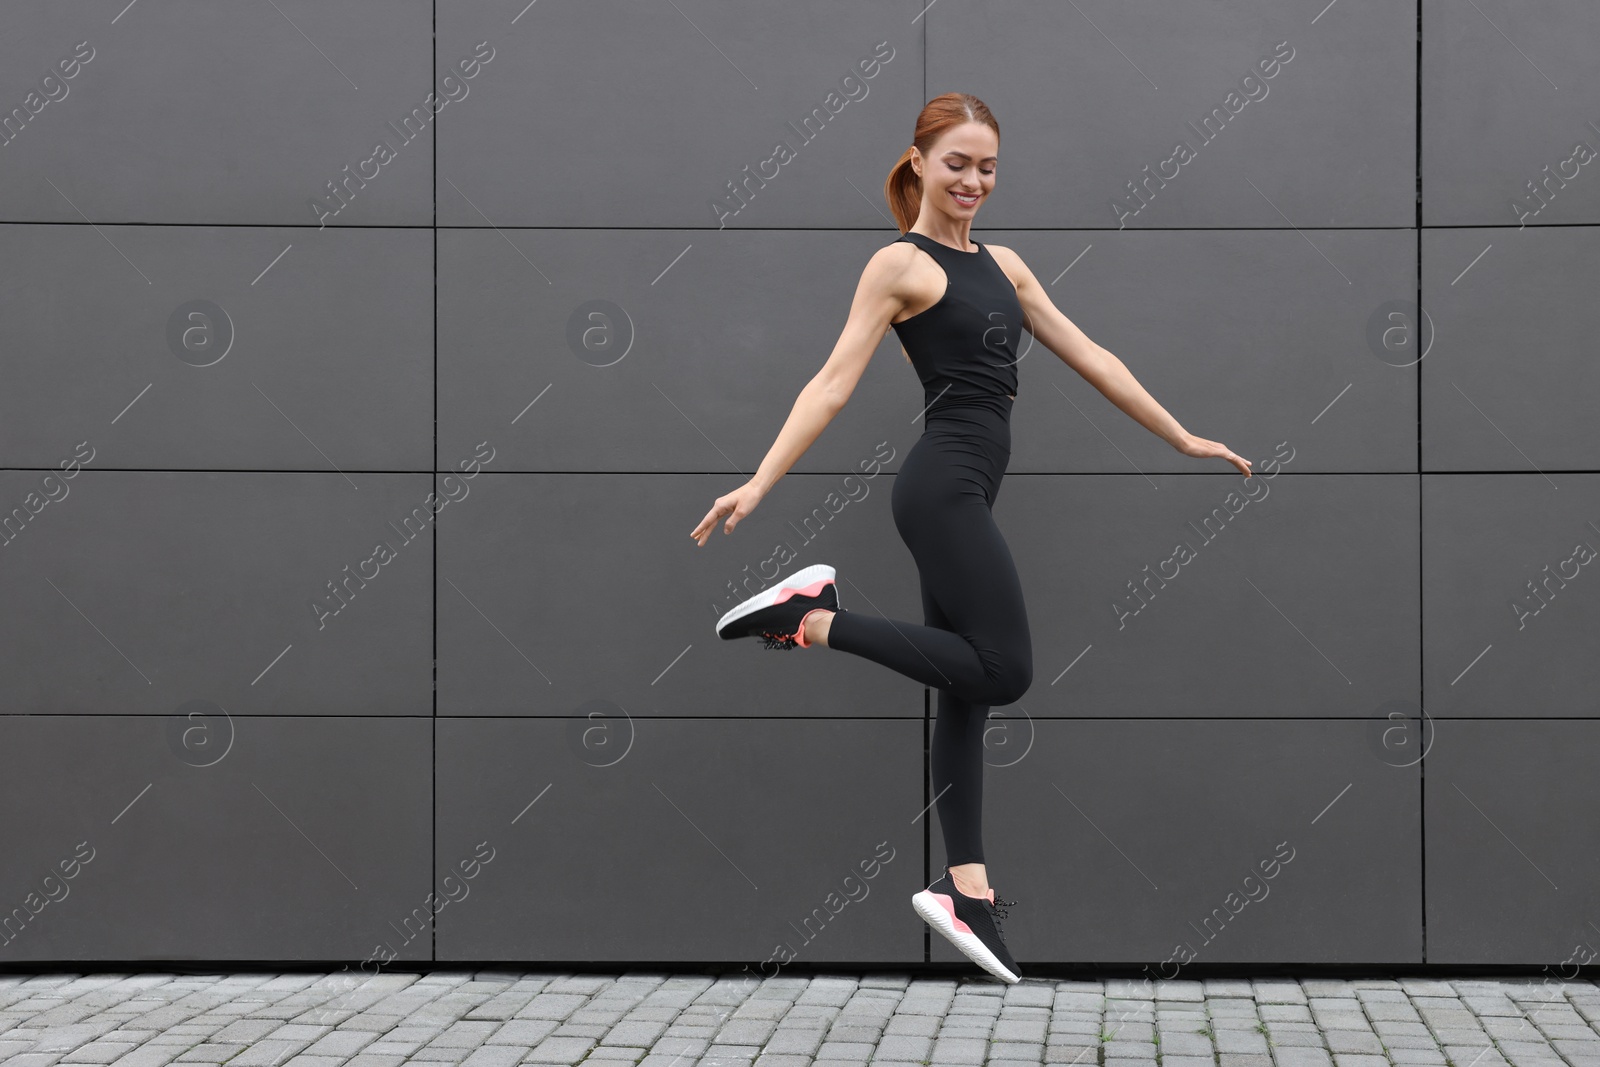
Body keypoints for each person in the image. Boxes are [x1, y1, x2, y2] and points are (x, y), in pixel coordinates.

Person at [689, 93, 1252, 984]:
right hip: (940, 489)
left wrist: (1180, 436)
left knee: (964, 690)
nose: (974, 182)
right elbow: (832, 382)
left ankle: (966, 889)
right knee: (1007, 665)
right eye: (957, 163)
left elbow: (1092, 354)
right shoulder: (897, 265)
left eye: (988, 167)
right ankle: (809, 616)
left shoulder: (1007, 265)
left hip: (968, 491)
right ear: (918, 161)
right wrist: (760, 482)